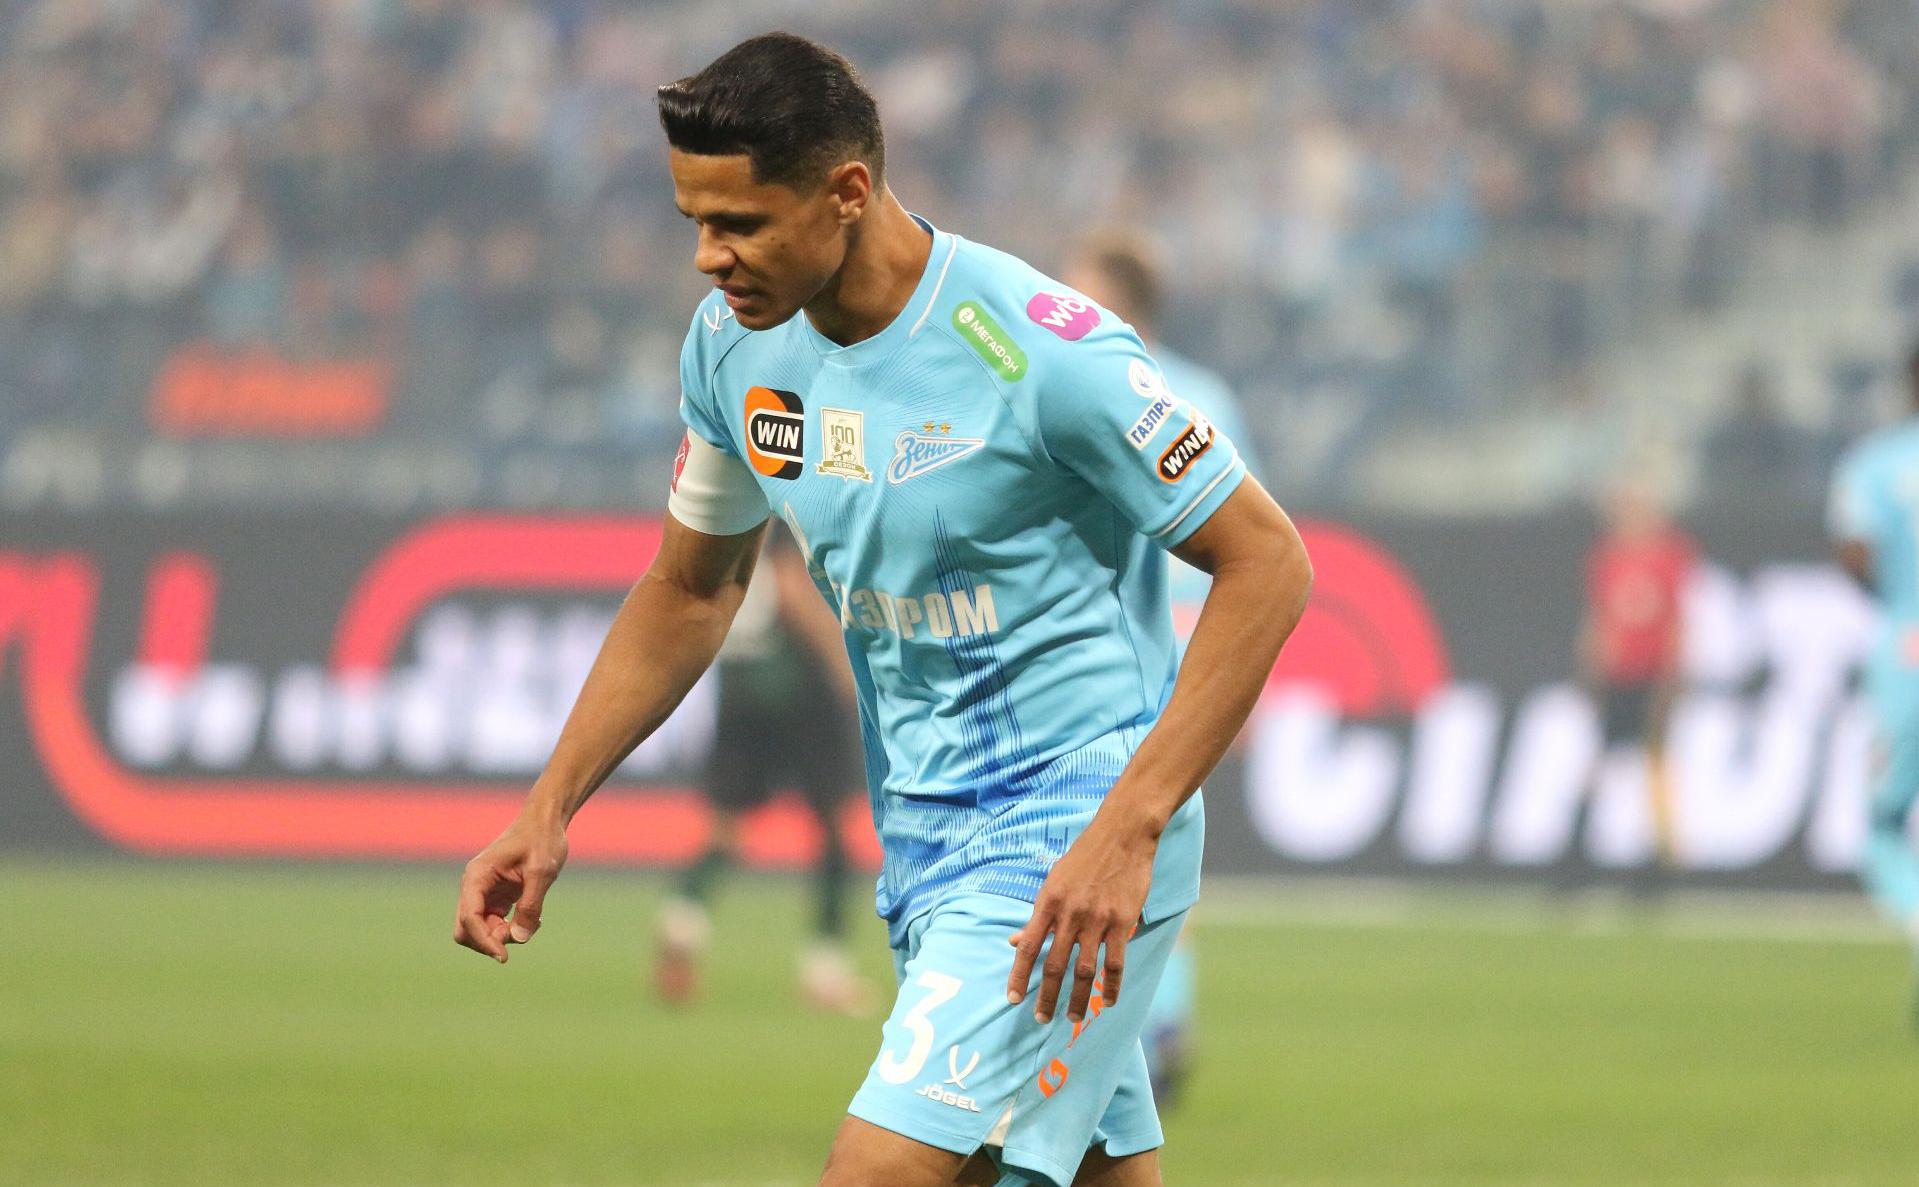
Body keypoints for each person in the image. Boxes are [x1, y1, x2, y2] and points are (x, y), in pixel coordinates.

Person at [453, 33, 1313, 1187]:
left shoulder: (1041, 349)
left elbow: (1268, 560)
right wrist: (549, 803)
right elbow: (690, 586)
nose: (709, 257)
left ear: (848, 191)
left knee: (881, 1170)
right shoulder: (733, 350)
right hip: (926, 834)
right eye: (694, 221)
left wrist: (1132, 826)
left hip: (1075, 825)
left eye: (741, 223)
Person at [1060, 232, 1265, 1109]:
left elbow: (1252, 544)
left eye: (1081, 290)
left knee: (1147, 836)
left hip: (1166, 652)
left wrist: (1240, 675)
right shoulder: (1072, 377)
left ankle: (1148, 1027)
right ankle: (1146, 1028)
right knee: (1115, 840)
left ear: (1125, 302)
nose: (1063, 303)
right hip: (1102, 658)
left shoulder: (1178, 396)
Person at [654, 528, 874, 1015]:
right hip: (798, 687)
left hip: (740, 680)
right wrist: (843, 665)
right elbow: (792, 585)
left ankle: (681, 924)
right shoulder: (794, 508)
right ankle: (826, 969)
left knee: (725, 828)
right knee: (834, 826)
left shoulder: (737, 510)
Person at [1829, 340, 1919, 1005]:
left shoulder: (1878, 461)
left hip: (1909, 647)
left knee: (1883, 820)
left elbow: (1857, 553)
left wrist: (1894, 599)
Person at [1578, 476, 1695, 882]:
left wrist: (1673, 673)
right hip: (1618, 674)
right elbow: (1600, 618)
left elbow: (1676, 618)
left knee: (1655, 761)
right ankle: (1579, 847)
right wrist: (1591, 664)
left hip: (1652, 673)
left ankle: (1661, 857)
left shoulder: (1669, 555)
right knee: (1602, 757)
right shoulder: (1607, 556)